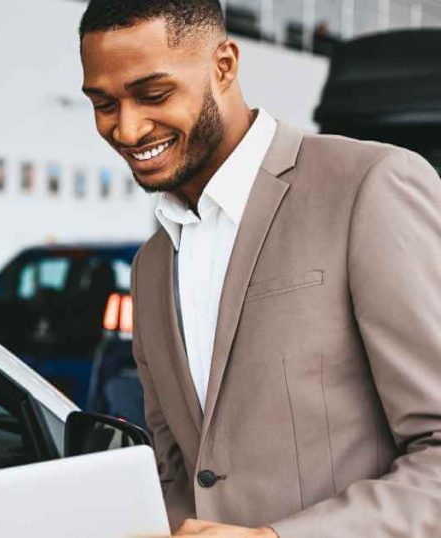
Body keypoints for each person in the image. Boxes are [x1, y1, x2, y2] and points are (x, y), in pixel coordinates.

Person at [78, 1, 441, 537]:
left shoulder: (369, 185)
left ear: (223, 65)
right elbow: (178, 472)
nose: (128, 130)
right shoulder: (151, 266)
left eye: (154, 95)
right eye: (104, 103)